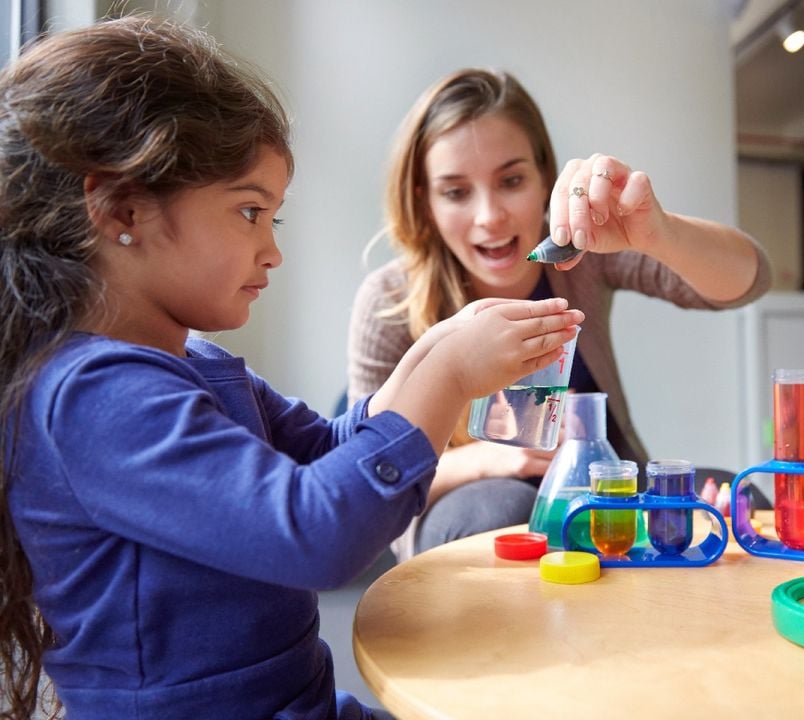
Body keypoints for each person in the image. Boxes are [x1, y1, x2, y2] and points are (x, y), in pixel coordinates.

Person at [0, 18, 585, 720]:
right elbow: (316, 532)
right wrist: (448, 376)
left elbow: (329, 448)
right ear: (124, 208)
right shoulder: (91, 399)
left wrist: (437, 348)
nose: (271, 251)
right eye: (250, 212)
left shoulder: (198, 365)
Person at [347, 68, 772, 561]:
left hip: (608, 502)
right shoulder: (389, 301)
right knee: (503, 510)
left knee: (739, 500)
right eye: (456, 191)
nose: (490, 217)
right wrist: (488, 459)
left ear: (544, 176)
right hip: (473, 511)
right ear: (423, 199)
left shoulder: (585, 251)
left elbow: (750, 280)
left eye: (511, 180)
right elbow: (362, 471)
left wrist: (659, 232)